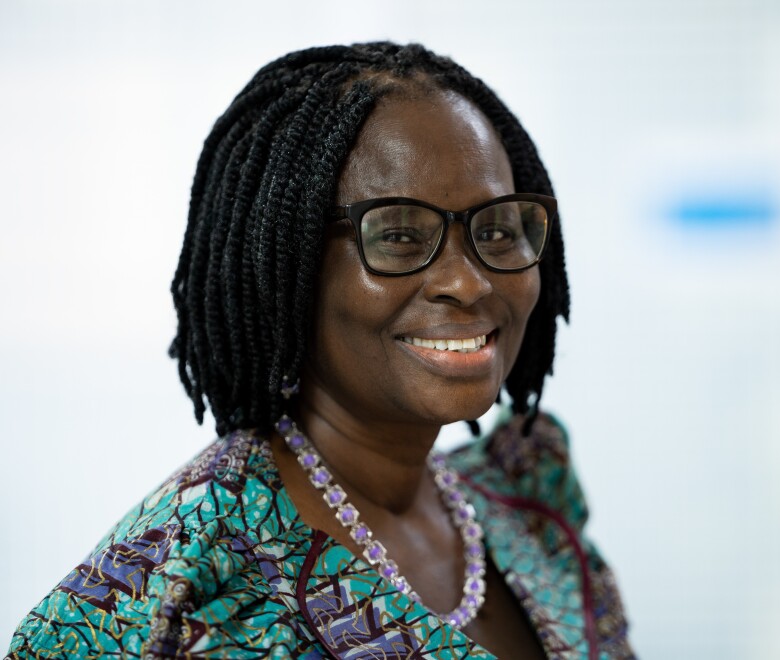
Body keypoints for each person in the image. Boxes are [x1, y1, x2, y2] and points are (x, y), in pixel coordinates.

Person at [7, 42, 634, 659]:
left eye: (494, 229)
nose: (469, 282)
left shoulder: (524, 503)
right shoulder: (183, 584)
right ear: (285, 265)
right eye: (398, 235)